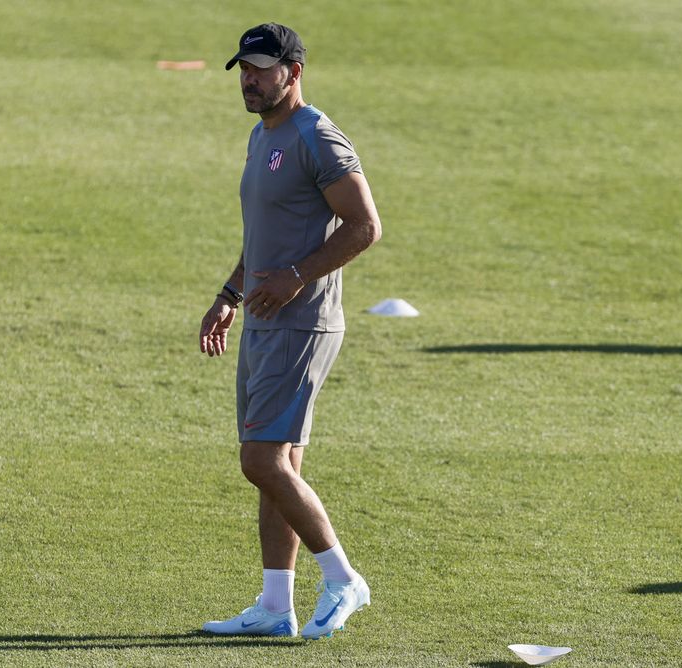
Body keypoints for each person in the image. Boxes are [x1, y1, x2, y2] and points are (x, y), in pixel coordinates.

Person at [198, 23, 382, 640]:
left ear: (293, 72)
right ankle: (276, 607)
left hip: (301, 323)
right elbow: (263, 237)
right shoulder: (262, 136)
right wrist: (230, 295)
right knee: (281, 460)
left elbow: (364, 226)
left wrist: (299, 277)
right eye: (243, 70)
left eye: (260, 69)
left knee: (261, 459)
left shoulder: (317, 138)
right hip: (265, 317)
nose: (249, 80)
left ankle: (343, 578)